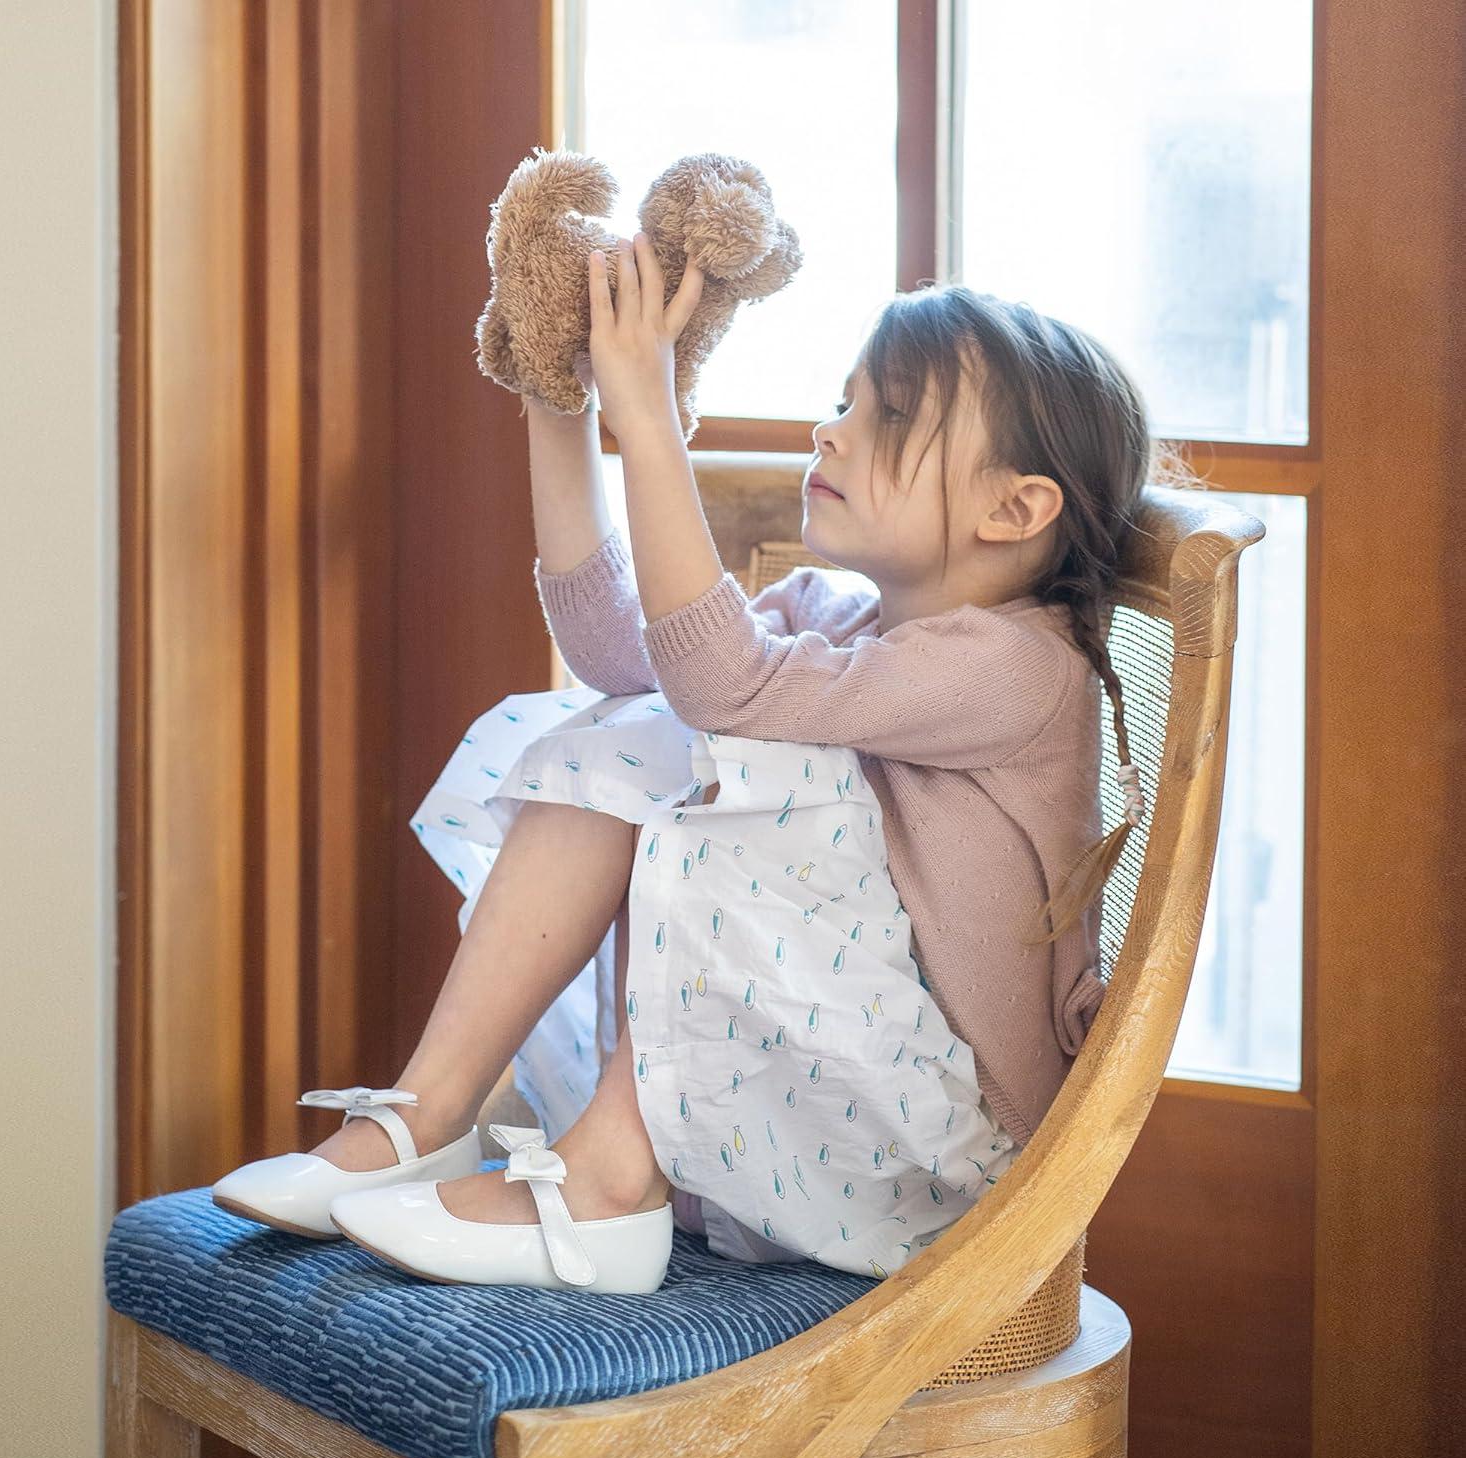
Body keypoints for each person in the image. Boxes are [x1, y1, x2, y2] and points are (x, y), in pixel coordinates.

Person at [215, 263, 1188, 1294]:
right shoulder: (838, 618)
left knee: (731, 753)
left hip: (933, 1163)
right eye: (844, 401)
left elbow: (720, 684)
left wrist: (648, 418)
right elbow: (624, 662)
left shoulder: (1019, 668)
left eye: (891, 416)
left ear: (1015, 507)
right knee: (647, 725)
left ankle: (607, 1182)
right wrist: (561, 401)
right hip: (790, 1116)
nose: (832, 431)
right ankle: (429, 1115)